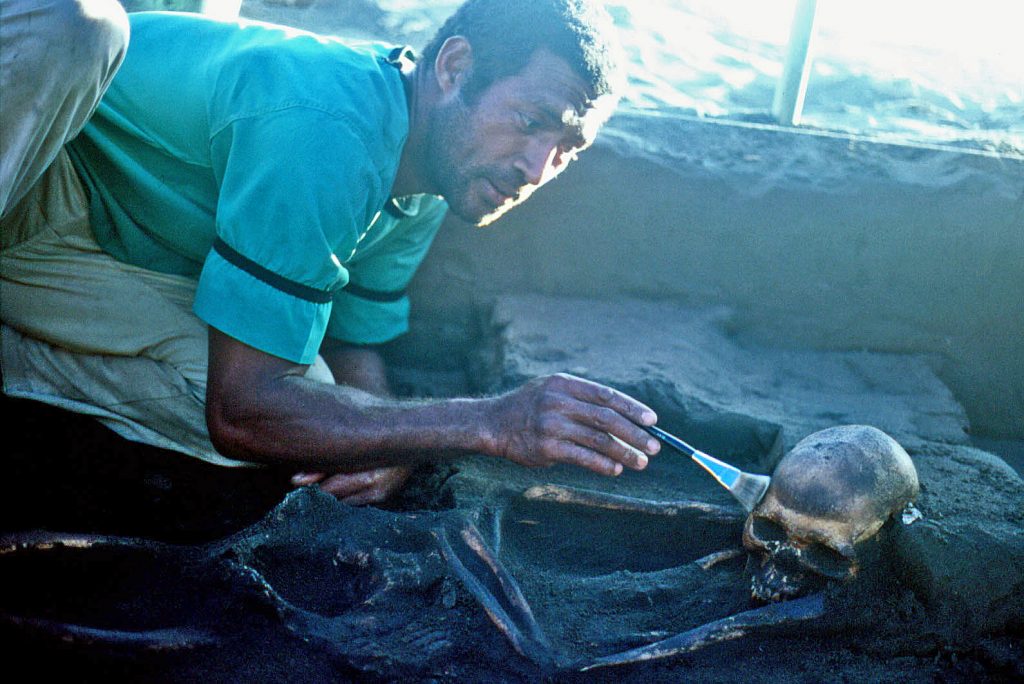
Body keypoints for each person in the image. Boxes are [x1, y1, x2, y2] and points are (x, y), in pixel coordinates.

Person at [0, 0, 661, 505]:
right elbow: (242, 410)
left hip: (84, 245)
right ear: (455, 68)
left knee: (311, 418)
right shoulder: (330, 127)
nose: (538, 167)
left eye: (568, 150)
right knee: (79, 24)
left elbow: (351, 336)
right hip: (36, 170)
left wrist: (391, 442)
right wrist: (488, 422)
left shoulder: (435, 174)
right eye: (531, 121)